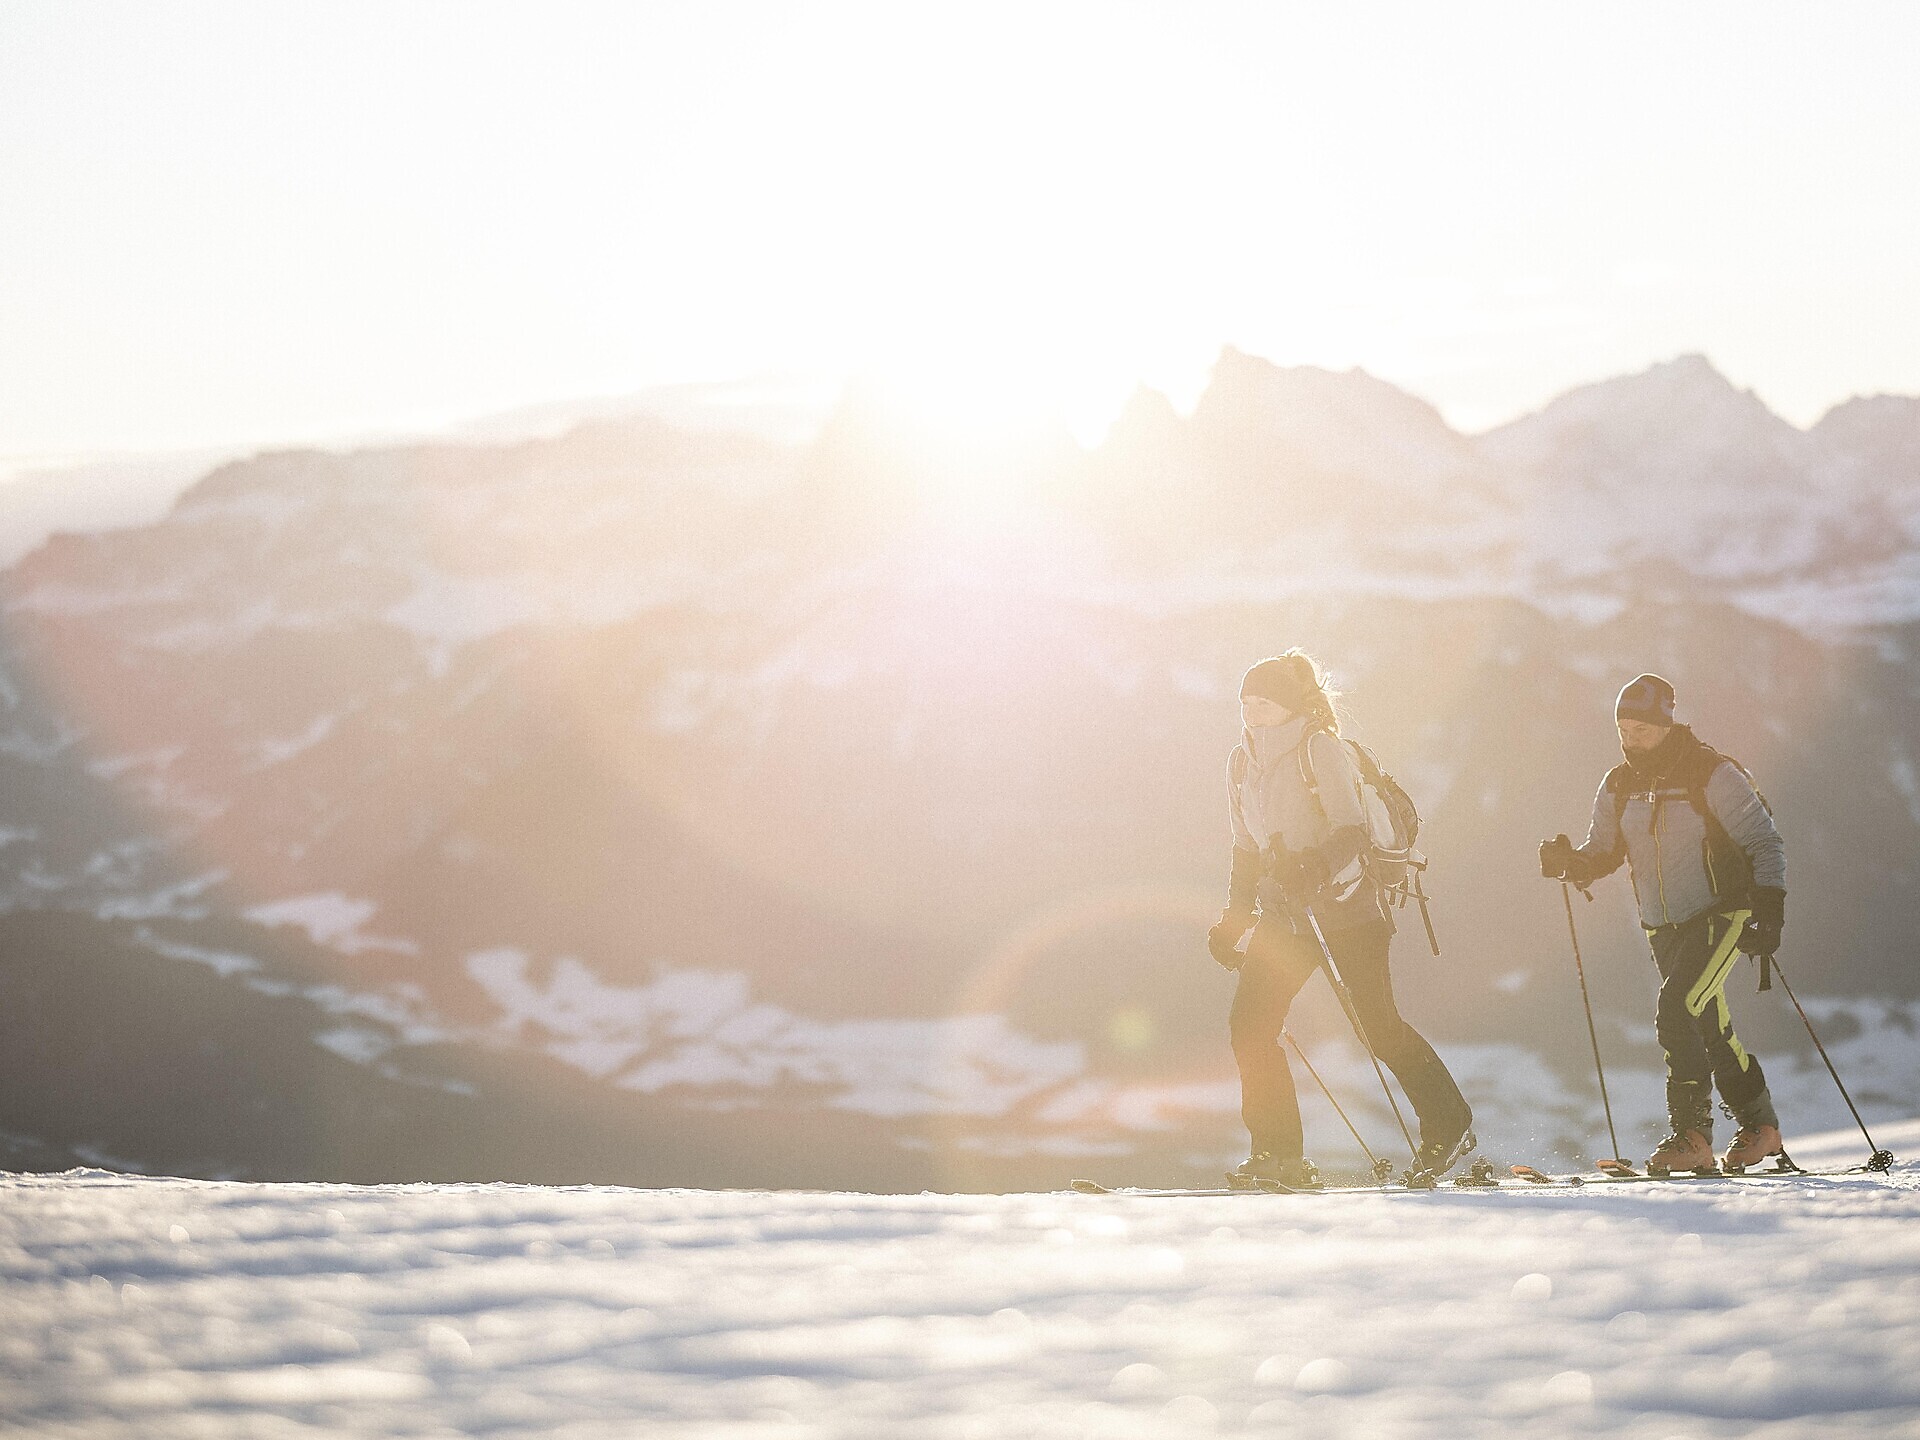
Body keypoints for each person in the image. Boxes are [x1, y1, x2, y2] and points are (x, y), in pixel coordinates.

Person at [1207, 651, 1474, 1188]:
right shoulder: (1240, 763)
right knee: (1251, 1027)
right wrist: (1235, 919)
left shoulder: (1319, 749)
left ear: (1291, 706)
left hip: (1349, 912)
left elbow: (1351, 829)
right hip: (1286, 916)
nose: (1252, 713)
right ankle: (1277, 1153)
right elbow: (1246, 850)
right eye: (1246, 703)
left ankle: (1449, 1122)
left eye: (1264, 704)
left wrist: (1313, 866)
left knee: (1378, 1028)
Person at [1538, 673, 1788, 1175]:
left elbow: (1765, 841)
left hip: (1722, 913)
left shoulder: (1711, 773)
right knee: (1708, 1024)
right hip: (1661, 926)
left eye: (1642, 730)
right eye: (1624, 730)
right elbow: (1605, 850)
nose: (1632, 740)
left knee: (1676, 1010)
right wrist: (1572, 863)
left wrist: (1769, 911)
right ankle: (1761, 1129)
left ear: (1668, 724)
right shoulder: (1618, 783)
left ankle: (1692, 1137)